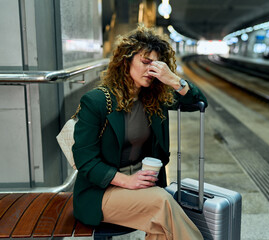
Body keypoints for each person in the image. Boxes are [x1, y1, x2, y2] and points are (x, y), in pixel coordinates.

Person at [72, 25, 207, 240]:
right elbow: (85, 161)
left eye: (156, 65)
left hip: (143, 187)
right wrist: (127, 181)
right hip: (102, 192)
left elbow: (199, 102)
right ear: (126, 61)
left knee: (162, 229)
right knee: (161, 202)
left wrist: (172, 79)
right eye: (145, 62)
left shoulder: (154, 100)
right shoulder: (97, 101)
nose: (151, 70)